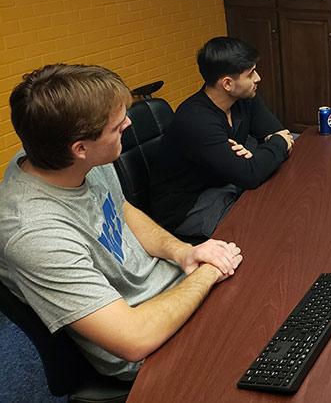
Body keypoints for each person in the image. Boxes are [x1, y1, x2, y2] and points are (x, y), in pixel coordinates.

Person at [0, 64, 242, 381]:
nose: (128, 124)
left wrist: (183, 252)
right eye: (117, 126)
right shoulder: (33, 233)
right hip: (147, 345)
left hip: (176, 287)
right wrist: (208, 274)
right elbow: (133, 339)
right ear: (80, 148)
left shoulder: (68, 159)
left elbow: (122, 208)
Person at [150, 37, 294, 240]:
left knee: (283, 202)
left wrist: (255, 158)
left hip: (223, 182)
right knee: (265, 229)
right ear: (227, 83)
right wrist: (258, 157)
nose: (258, 78)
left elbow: (280, 134)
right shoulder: (197, 119)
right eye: (251, 73)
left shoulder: (244, 98)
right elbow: (252, 172)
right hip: (187, 206)